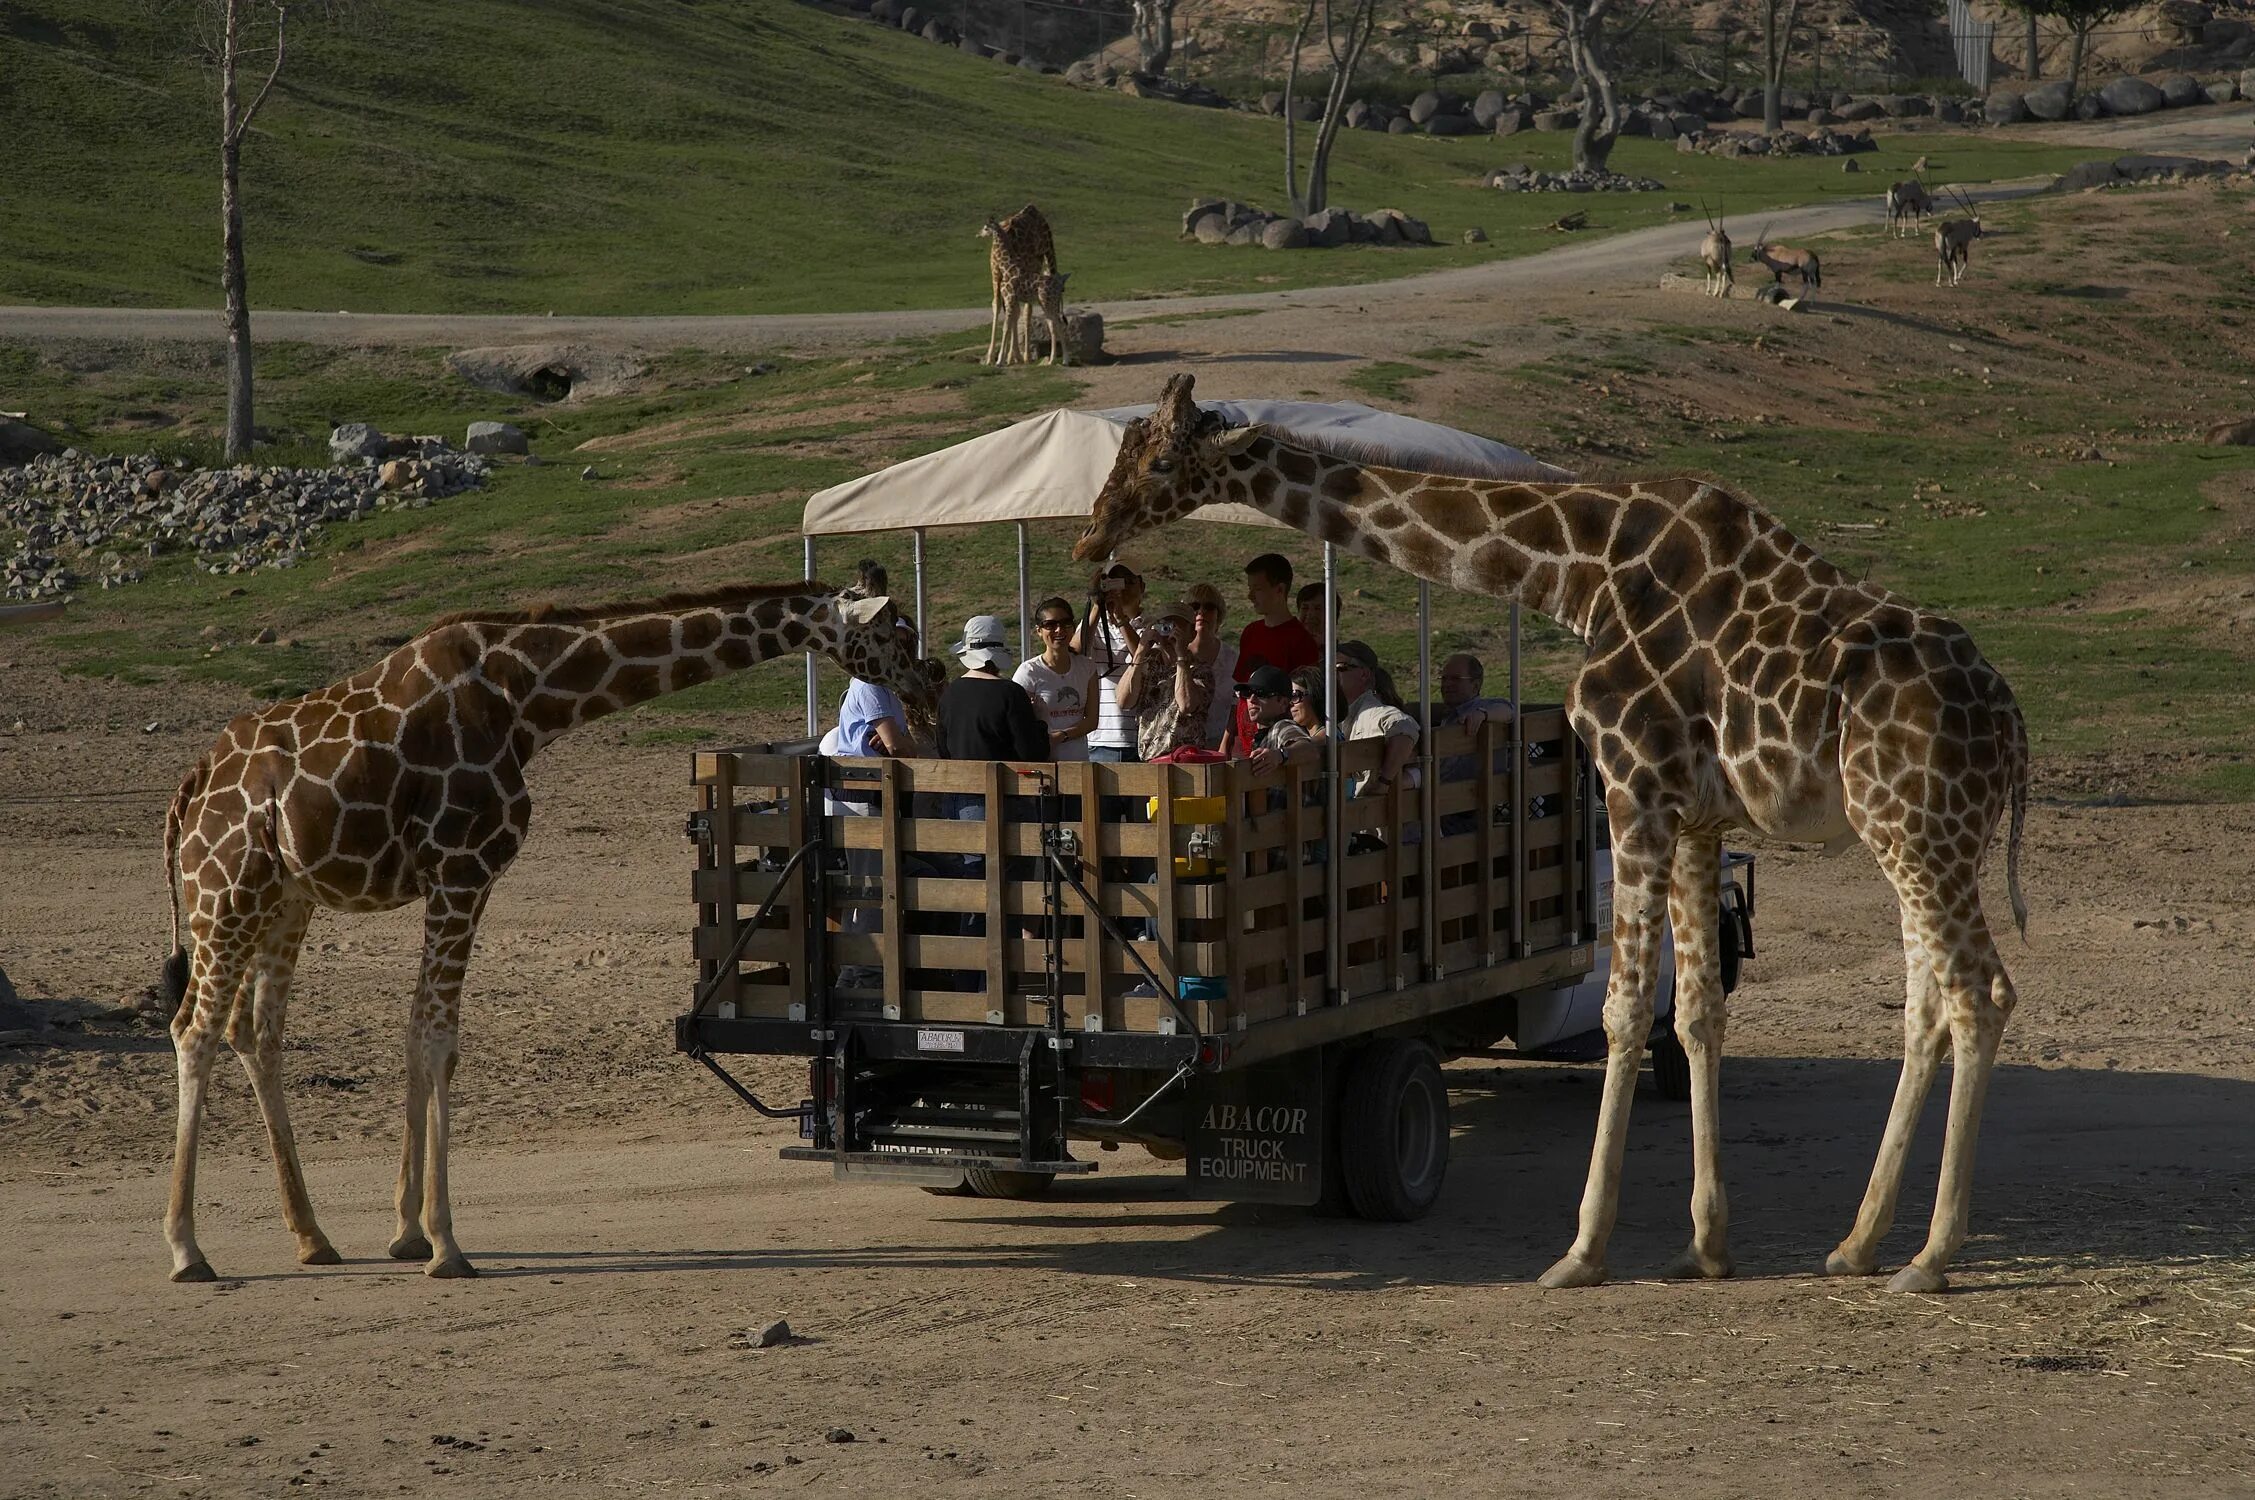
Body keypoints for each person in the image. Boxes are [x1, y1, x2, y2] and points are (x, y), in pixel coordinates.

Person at [1225, 553, 1320, 756]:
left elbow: (1304, 700)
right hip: (1243, 743)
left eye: (1257, 589)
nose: (1251, 596)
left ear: (1279, 590)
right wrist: (1227, 739)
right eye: (1250, 589)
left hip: (1279, 743)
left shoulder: (1301, 641)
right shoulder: (1250, 632)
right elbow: (1238, 698)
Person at [1117, 592, 1228, 761]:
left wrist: (1181, 657)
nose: (1170, 634)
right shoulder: (1147, 664)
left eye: (1178, 627)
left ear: (1191, 633)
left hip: (1185, 762)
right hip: (1150, 761)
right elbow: (1124, 701)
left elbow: (1187, 705)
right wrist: (1140, 651)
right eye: (1165, 626)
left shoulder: (1200, 670)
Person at [939, 614, 1047, 763]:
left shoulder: (949, 694)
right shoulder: (1011, 693)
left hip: (959, 783)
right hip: (1004, 784)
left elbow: (943, 750)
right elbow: (1032, 755)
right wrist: (1040, 720)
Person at [1075, 562, 1145, 764]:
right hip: (1100, 737)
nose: (1121, 590)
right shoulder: (1094, 624)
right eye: (1115, 583)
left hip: (1141, 737)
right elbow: (1074, 652)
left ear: (1142, 586)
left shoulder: (1152, 624)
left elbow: (1145, 657)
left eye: (1128, 582)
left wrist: (1121, 619)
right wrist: (1097, 605)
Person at [1013, 595, 1098, 760]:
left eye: (1065, 623)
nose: (1059, 630)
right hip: (1043, 762)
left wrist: (1060, 736)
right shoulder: (1028, 672)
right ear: (1039, 631)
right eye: (1050, 625)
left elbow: (1092, 720)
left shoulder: (1087, 667)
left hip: (1079, 762)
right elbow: (1016, 722)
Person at [1333, 639, 1418, 800]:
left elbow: (1405, 727)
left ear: (1364, 674)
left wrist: (1384, 782)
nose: (1331, 675)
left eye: (1339, 668)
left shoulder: (1371, 711)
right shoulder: (1341, 711)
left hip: (1370, 819)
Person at [1238, 665, 1317, 774]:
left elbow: (1310, 750)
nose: (1252, 700)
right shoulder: (1264, 734)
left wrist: (1280, 755)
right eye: (1247, 693)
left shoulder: (1282, 726)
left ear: (1283, 703)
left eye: (1261, 693)